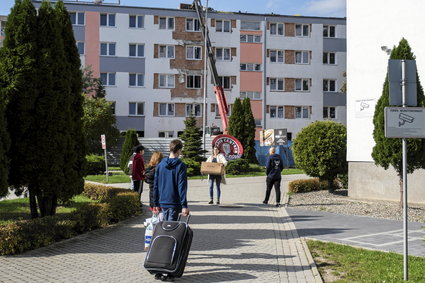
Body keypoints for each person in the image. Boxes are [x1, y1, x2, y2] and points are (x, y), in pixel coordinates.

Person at [153, 139, 189, 221]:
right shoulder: (181, 165)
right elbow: (182, 186)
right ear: (179, 150)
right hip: (174, 202)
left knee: (164, 228)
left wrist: (155, 203)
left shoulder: (160, 165)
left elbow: (155, 185)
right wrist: (184, 205)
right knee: (171, 229)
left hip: (162, 201)